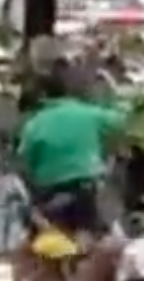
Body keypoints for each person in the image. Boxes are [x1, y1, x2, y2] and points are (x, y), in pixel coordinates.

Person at [16, 69, 127, 236]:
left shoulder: (34, 124)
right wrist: (112, 93)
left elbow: (25, 164)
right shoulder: (89, 113)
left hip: (50, 195)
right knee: (105, 233)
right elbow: (121, 122)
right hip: (89, 189)